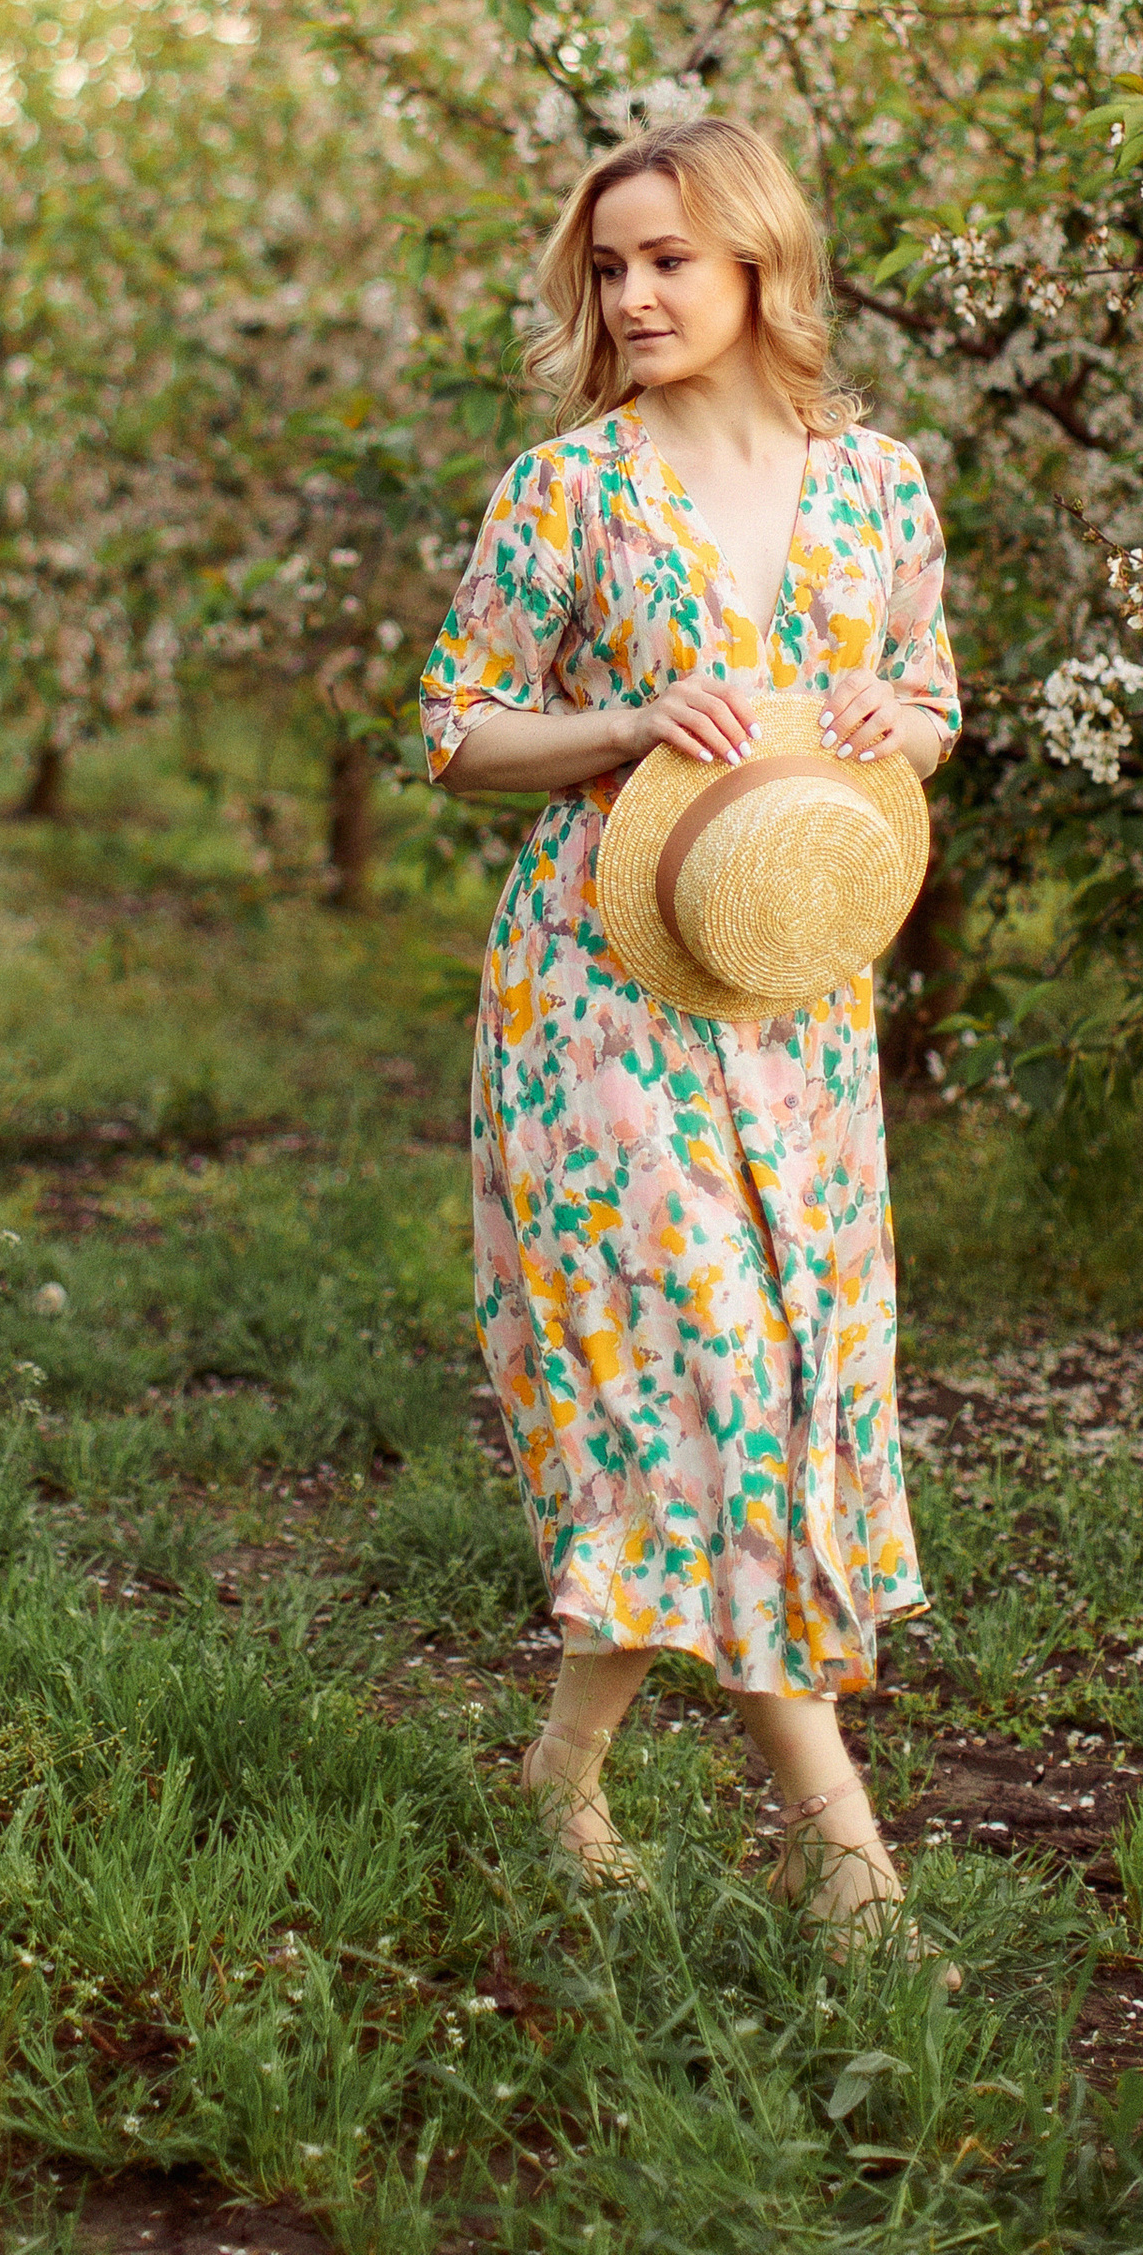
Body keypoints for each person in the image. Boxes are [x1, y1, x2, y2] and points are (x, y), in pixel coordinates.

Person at [420, 112, 957, 1931]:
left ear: (758, 266)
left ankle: (555, 1784)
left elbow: (939, 700)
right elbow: (460, 729)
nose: (632, 294)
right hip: (599, 993)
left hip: (793, 991)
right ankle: (843, 1845)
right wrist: (636, 726)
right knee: (708, 1365)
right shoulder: (566, 491)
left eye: (667, 259)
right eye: (610, 265)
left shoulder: (881, 485)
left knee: (771, 1377)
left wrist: (897, 720)